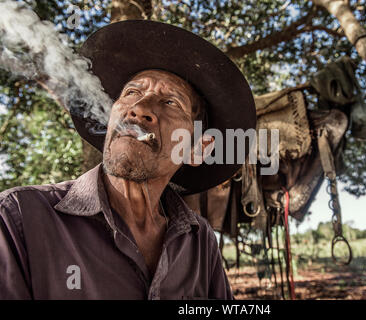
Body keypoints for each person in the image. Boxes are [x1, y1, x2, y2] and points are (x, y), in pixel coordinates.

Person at [0, 20, 256, 299]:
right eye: (132, 93)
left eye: (171, 102)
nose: (140, 108)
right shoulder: (17, 219)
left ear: (198, 148)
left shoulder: (200, 240)